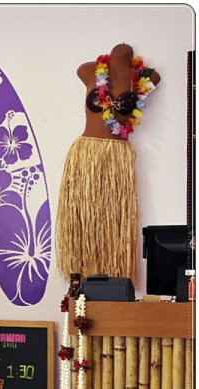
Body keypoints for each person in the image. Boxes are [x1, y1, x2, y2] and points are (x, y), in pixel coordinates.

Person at [56, 43, 160, 286]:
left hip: (117, 161)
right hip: (86, 156)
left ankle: (114, 281)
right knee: (82, 219)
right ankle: (79, 275)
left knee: (113, 225)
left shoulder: (146, 79)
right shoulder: (88, 70)